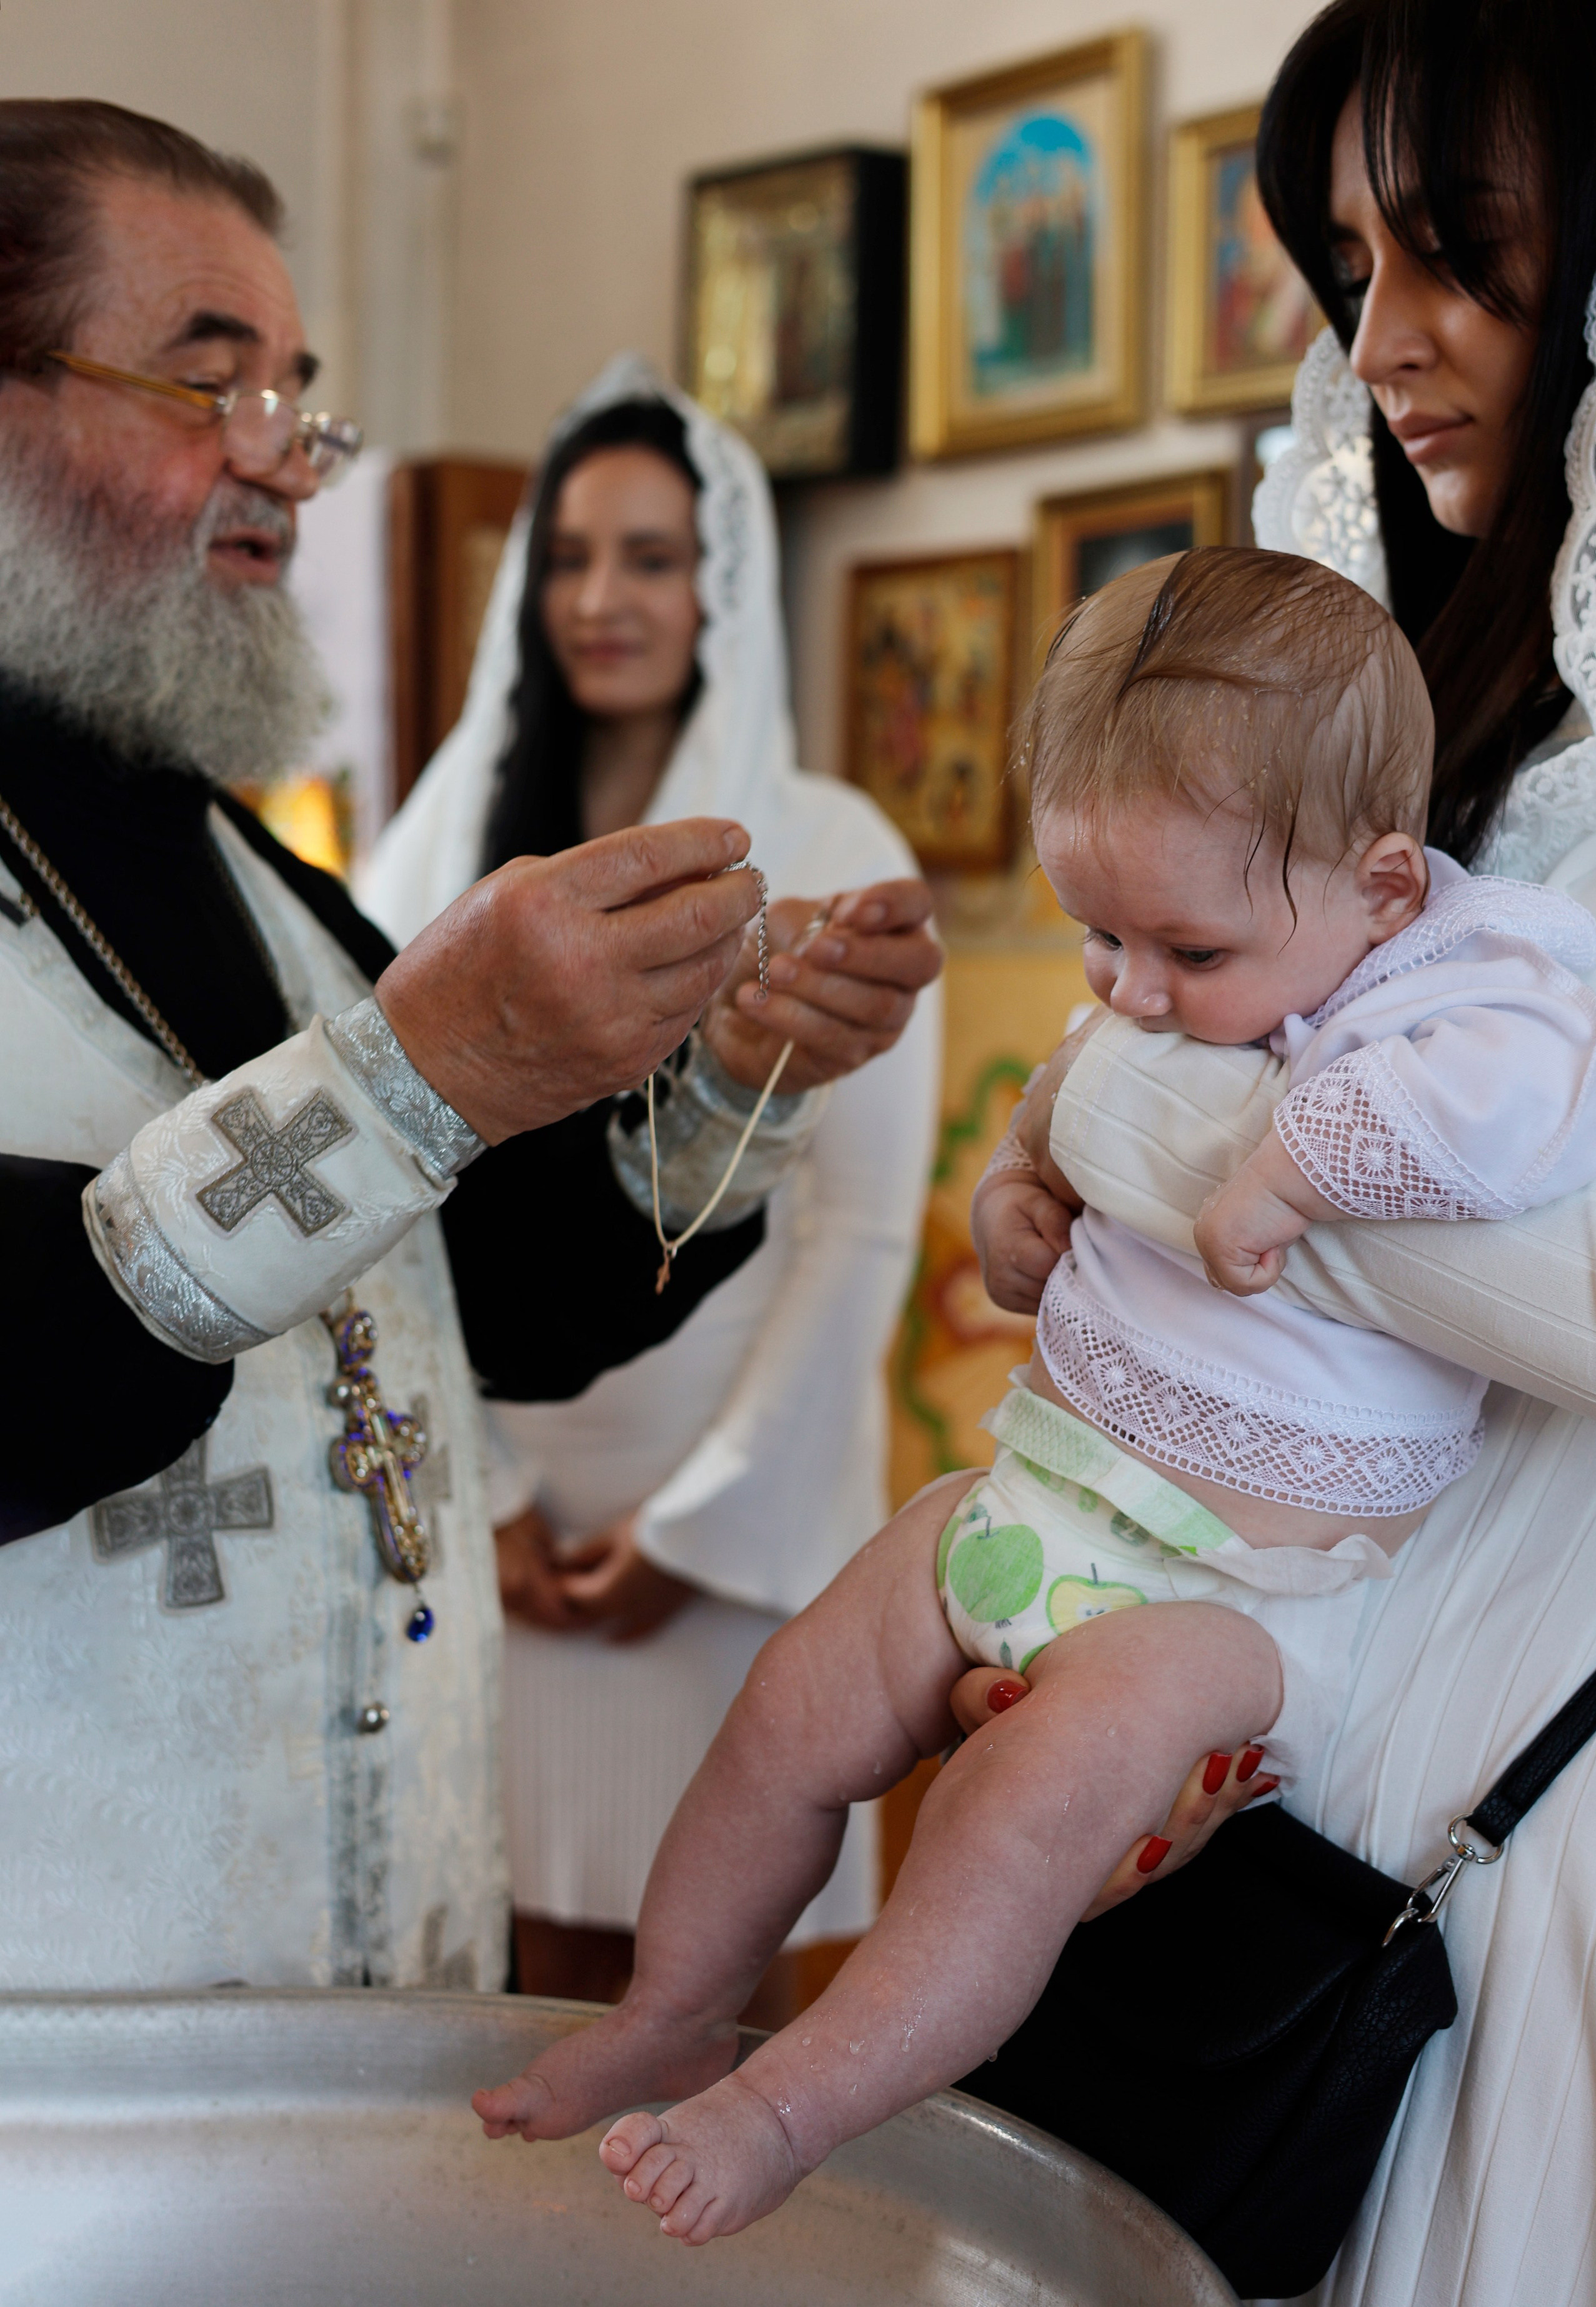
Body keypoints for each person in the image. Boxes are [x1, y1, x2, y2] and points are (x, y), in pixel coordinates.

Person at [466, 542, 1596, 2244]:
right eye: (1099, 936)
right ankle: (676, 2007)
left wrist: (1291, 1165)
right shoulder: (1195, 971)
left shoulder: (1468, 973)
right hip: (1024, 1493)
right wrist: (1019, 1182)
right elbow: (1072, 1090)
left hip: (1236, 1609)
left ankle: (795, 2102)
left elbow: (1520, 1107)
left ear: (1380, 884)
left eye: (1184, 948)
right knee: (789, 1709)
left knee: (1009, 1816)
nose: (1133, 988)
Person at [0, 99, 940, 1992]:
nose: (287, 464)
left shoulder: (235, 861)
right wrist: (413, 1073)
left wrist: (733, 1082)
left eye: (299, 402)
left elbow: (506, 1290)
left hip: (382, 1979)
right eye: (213, 386)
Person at [970, 4, 1596, 2301]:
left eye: (1460, 248)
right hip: (1331, 1607)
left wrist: (1123, 1116)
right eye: (1350, 266)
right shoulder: (1450, 685)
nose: (1382, 338)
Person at [361, 364, 940, 1993]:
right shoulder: (438, 855)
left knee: (716, 2008)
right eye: (568, 557)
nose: (601, 598)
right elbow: (385, 1206)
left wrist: (704, 1523)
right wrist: (484, 1498)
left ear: (723, 586)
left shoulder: (831, 847)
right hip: (493, 1518)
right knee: (500, 1994)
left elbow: (858, 1231)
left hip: (729, 1537)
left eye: (652, 558)